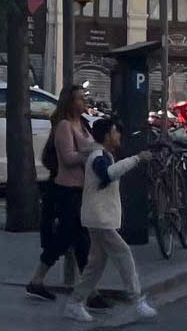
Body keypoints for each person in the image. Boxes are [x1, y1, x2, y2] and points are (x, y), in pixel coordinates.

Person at [66, 114, 155, 324]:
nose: (118, 135)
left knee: (95, 265)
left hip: (98, 218)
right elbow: (107, 175)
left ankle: (75, 303)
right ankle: (135, 300)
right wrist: (136, 159)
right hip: (99, 219)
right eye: (115, 131)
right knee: (123, 253)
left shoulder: (102, 154)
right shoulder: (98, 156)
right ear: (106, 135)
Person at [27, 84, 95, 300]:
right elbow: (67, 158)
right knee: (76, 240)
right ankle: (89, 292)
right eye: (79, 99)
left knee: (72, 239)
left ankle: (38, 280)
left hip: (82, 190)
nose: (84, 102)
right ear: (70, 102)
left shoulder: (83, 124)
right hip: (67, 190)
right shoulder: (64, 126)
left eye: (84, 98)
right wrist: (91, 152)